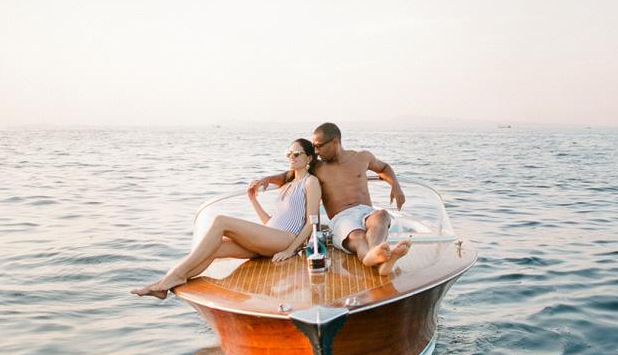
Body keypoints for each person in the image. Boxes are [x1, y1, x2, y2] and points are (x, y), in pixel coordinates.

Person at [132, 139, 322, 299]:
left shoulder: (310, 182)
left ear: (309, 158)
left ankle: (173, 277)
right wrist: (252, 200)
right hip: (272, 238)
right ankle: (165, 283)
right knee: (218, 247)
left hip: (286, 239)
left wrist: (290, 250)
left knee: (221, 221)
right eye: (289, 153)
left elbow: (311, 221)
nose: (291, 157)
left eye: (297, 154)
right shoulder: (288, 185)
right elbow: (270, 223)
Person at [254, 122, 410, 276]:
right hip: (341, 218)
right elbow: (288, 175)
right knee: (357, 236)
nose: (315, 151)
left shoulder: (362, 157)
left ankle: (376, 256)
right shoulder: (317, 167)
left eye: (319, 146)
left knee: (382, 214)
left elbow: (384, 168)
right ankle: (378, 259)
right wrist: (268, 178)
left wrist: (396, 186)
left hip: (366, 211)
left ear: (335, 142)